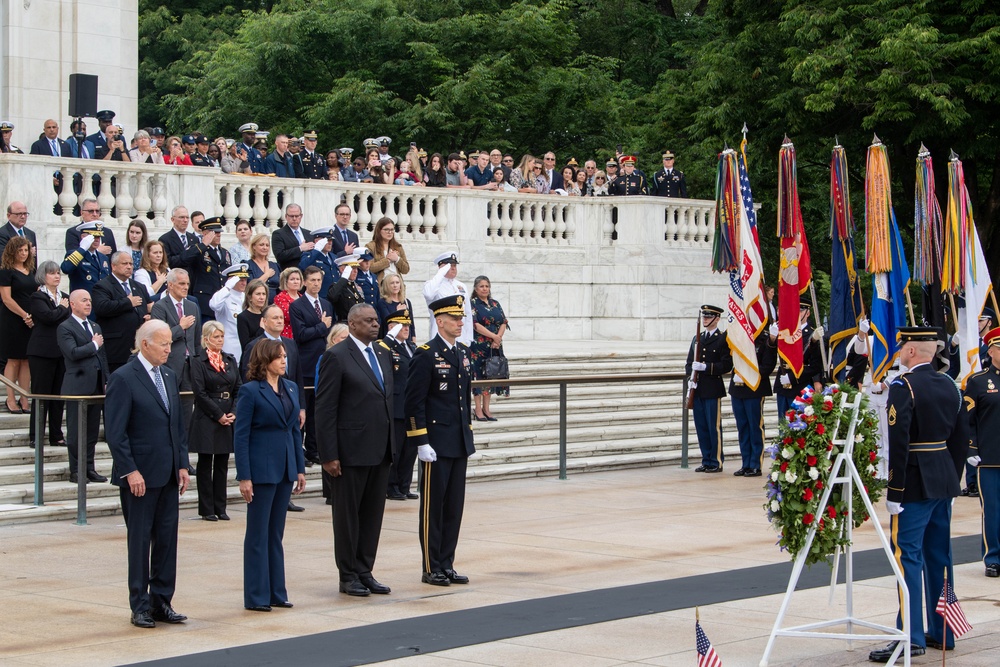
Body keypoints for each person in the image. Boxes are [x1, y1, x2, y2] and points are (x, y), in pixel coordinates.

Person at [867, 327, 968, 662]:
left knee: (907, 557)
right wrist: (952, 481)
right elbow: (960, 439)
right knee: (940, 557)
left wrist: (894, 490)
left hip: (913, 483)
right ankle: (944, 631)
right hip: (943, 479)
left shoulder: (903, 385)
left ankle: (909, 637)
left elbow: (899, 442)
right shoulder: (950, 385)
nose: (897, 354)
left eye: (900, 349)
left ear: (911, 351)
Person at [105, 320, 191, 629]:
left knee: (167, 541)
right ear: (145, 345)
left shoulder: (168, 376)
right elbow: (116, 434)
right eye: (164, 344)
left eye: (170, 343)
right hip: (139, 476)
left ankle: (161, 601)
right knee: (140, 542)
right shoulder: (123, 378)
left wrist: (182, 464)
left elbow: (177, 426)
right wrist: (130, 470)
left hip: (167, 473)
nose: (170, 349)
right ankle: (139, 605)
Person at [316, 303, 394, 596]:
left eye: (376, 320)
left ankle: (365, 569)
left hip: (380, 449)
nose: (375, 325)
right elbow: (325, 409)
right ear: (352, 324)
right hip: (349, 452)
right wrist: (328, 454)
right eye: (368, 321)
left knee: (372, 515)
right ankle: (347, 574)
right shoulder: (336, 356)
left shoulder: (383, 354)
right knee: (348, 517)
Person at [405, 294, 475, 586]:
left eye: (461, 318)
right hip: (435, 443)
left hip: (457, 441)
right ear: (440, 320)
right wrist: (421, 441)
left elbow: (463, 399)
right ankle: (431, 566)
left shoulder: (461, 353)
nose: (460, 323)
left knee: (453, 508)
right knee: (433, 509)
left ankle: (447, 562)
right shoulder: (425, 353)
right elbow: (413, 402)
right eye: (455, 319)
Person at [234, 339, 306, 610]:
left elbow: (295, 431)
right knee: (257, 534)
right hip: (261, 468)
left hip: (285, 466)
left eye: (285, 356)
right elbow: (241, 436)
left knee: (275, 533)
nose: (285, 361)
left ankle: (277, 591)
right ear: (266, 361)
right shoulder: (251, 391)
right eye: (279, 357)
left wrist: (299, 467)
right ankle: (256, 595)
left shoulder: (290, 387)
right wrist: (244, 476)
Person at [189, 321, 241, 522]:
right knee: (205, 463)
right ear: (206, 339)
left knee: (222, 463)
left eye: (221, 337)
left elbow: (238, 388)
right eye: (216, 337)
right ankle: (207, 508)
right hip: (208, 416)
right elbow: (200, 393)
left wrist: (233, 412)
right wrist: (218, 414)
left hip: (227, 413)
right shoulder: (197, 361)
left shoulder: (229, 359)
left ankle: (221, 506)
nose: (220, 340)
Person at [57, 290, 110, 483]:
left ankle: (89, 467)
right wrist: (94, 345)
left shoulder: (95, 325)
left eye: (89, 300)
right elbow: (72, 352)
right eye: (84, 300)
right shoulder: (65, 327)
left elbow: (102, 356)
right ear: (72, 304)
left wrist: (107, 379)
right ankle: (76, 470)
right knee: (76, 430)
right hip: (77, 385)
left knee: (92, 431)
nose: (88, 303)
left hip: (96, 384)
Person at [962, 325, 1000, 578]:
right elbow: (967, 420)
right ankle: (994, 557)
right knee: (994, 510)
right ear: (992, 349)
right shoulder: (977, 382)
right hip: (990, 456)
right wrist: (971, 447)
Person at [289, 266, 334, 467]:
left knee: (318, 410)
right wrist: (321, 327)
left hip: (325, 363)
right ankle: (300, 449)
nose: (316, 284)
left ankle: (314, 449)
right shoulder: (297, 305)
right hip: (306, 364)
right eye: (313, 280)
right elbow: (301, 335)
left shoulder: (326, 304)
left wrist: (325, 329)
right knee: (303, 408)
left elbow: (331, 334)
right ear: (305, 282)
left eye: (319, 280)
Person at [684, 305, 733, 473]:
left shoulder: (723, 339)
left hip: (712, 388)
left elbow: (726, 365)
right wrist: (691, 377)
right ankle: (706, 459)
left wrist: (706, 367)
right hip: (698, 389)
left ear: (717, 319)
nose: (705, 319)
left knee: (713, 426)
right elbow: (689, 363)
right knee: (702, 426)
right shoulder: (697, 338)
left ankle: (716, 461)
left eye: (709, 317)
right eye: (704, 316)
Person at [150, 268, 200, 429]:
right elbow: (158, 338)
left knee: (187, 412)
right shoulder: (160, 307)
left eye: (187, 284)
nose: (185, 287)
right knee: (167, 409)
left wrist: (198, 363)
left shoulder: (192, 306)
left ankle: (183, 449)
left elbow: (197, 340)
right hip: (168, 365)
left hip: (189, 366)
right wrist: (180, 327)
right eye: (181, 284)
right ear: (170, 285)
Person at [27, 261, 70, 447]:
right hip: (42, 352)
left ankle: (56, 435)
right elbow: (48, 317)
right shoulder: (37, 297)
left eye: (58, 273)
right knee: (41, 394)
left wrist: (60, 309)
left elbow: (67, 320)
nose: (57, 276)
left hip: (60, 352)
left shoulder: (65, 296)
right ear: (43, 276)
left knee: (58, 396)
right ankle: (35, 435)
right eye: (52, 273)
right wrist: (61, 308)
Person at [727, 326, 777, 477]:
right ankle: (746, 463)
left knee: (754, 426)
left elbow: (767, 366)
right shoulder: (738, 337)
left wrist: (747, 373)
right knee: (742, 427)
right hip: (738, 388)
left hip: (755, 389)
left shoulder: (764, 340)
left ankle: (755, 464)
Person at [92, 251, 151, 375]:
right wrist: (128, 303)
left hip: (138, 346)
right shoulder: (103, 286)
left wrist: (149, 317)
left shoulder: (139, 286)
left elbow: (150, 306)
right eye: (125, 263)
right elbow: (102, 308)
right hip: (117, 348)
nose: (129, 267)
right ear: (113, 266)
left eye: (131, 263)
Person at [383, 310, 418, 501]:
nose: (406, 328)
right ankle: (392, 485)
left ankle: (405, 485)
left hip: (411, 406)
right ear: (391, 327)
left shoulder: (411, 346)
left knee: (409, 449)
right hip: (396, 405)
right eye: (401, 325)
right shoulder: (387, 346)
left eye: (407, 325)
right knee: (396, 449)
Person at [769, 303, 825, 417]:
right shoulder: (785, 332)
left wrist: (792, 377)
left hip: (801, 386)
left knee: (797, 426)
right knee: (783, 427)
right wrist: (771, 339)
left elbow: (815, 365)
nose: (796, 314)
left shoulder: (813, 335)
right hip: (783, 384)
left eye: (800, 311)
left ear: (807, 313)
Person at [1, 236, 36, 413]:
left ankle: (24, 397)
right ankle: (10, 398)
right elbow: (7, 298)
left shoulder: (30, 270)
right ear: (12, 251)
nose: (23, 254)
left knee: (26, 360)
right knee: (13, 360)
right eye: (20, 250)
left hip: (30, 319)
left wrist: (33, 315)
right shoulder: (6, 271)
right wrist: (24, 315)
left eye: (26, 250)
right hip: (13, 319)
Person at [469, 276, 508, 421]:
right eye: (481, 286)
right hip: (479, 346)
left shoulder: (495, 303)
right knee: (479, 377)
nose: (484, 289)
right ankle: (478, 409)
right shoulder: (472, 303)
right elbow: (475, 324)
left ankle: (487, 409)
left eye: (487, 286)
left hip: (495, 345)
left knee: (491, 375)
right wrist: (494, 336)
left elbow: (503, 321)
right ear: (475, 288)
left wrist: (498, 338)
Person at [183, 217, 232, 322]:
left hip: (222, 302)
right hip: (205, 303)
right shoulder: (198, 249)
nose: (218, 235)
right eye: (214, 232)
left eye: (219, 232)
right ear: (205, 233)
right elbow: (183, 259)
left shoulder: (225, 253)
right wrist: (203, 245)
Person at [422, 251, 472, 345]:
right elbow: (429, 294)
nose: (453, 268)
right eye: (450, 265)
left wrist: (468, 339)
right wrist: (441, 272)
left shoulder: (461, 286)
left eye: (455, 265)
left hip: (460, 337)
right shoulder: (432, 285)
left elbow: (468, 314)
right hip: (441, 336)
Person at [210, 264, 249, 361]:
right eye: (240, 280)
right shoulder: (224, 297)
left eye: (245, 280)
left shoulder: (247, 297)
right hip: (229, 347)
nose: (244, 283)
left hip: (246, 347)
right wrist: (227, 287)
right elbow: (214, 305)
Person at [61, 220, 112, 294]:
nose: (97, 239)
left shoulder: (103, 258)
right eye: (94, 236)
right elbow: (65, 268)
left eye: (99, 236)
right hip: (83, 300)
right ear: (83, 237)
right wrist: (82, 249)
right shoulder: (75, 254)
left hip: (101, 301)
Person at [366, 218, 410, 285]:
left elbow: (406, 270)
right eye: (386, 229)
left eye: (392, 229)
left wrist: (397, 259)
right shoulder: (371, 246)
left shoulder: (398, 247)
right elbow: (369, 268)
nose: (390, 232)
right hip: (381, 286)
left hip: (397, 287)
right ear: (379, 230)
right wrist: (388, 260)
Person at [298, 227, 339, 297]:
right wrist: (317, 250)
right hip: (320, 296)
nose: (330, 243)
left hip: (334, 297)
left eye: (331, 240)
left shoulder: (334, 257)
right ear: (317, 241)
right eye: (327, 240)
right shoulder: (310, 255)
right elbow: (303, 266)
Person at [271, 204, 314, 271]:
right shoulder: (278, 234)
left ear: (301, 216)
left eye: (297, 216)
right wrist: (300, 248)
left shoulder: (309, 234)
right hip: (290, 274)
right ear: (286, 216)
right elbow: (280, 256)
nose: (294, 219)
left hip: (308, 274)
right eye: (291, 216)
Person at [328, 252, 367, 323]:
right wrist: (344, 277)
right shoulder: (337, 286)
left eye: (356, 268)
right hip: (345, 324)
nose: (356, 271)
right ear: (343, 270)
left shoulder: (354, 286)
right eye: (352, 268)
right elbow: (332, 296)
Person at [158, 206, 200, 271]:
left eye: (187, 217)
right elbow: (168, 262)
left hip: (193, 278)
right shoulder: (165, 239)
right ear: (173, 219)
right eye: (182, 217)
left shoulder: (194, 238)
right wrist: (187, 253)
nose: (185, 220)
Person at [376, 274, 415, 341]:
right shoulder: (382, 302)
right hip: (391, 339)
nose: (395, 285)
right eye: (392, 283)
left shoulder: (406, 302)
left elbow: (411, 324)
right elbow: (388, 321)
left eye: (397, 282)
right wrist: (399, 312)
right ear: (387, 286)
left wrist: (413, 339)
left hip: (406, 339)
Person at [237, 279, 269, 352]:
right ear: (249, 297)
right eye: (258, 294)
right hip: (252, 358)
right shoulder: (243, 317)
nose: (261, 297)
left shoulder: (267, 314)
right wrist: (261, 329)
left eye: (264, 294)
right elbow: (246, 345)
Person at [274, 268, 303, 339]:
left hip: (303, 333)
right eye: (292, 279)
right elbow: (289, 316)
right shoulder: (280, 297)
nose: (296, 282)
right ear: (285, 281)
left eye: (298, 279)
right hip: (288, 334)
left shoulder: (302, 297)